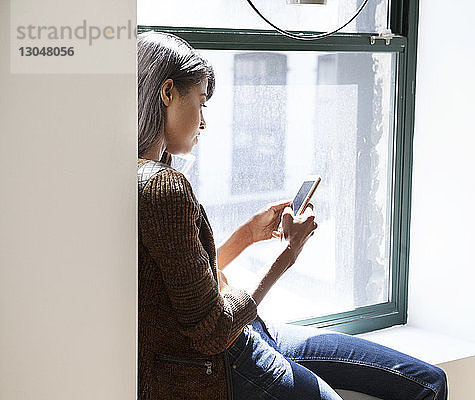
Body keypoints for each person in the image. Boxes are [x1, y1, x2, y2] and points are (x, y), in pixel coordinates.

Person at [137, 31, 448, 400]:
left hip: (250, 330)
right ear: (168, 92)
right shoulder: (162, 187)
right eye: (201, 102)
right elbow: (213, 330)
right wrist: (288, 254)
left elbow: (186, 290)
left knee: (429, 381)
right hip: (225, 357)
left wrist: (248, 234)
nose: (203, 121)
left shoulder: (151, 174)